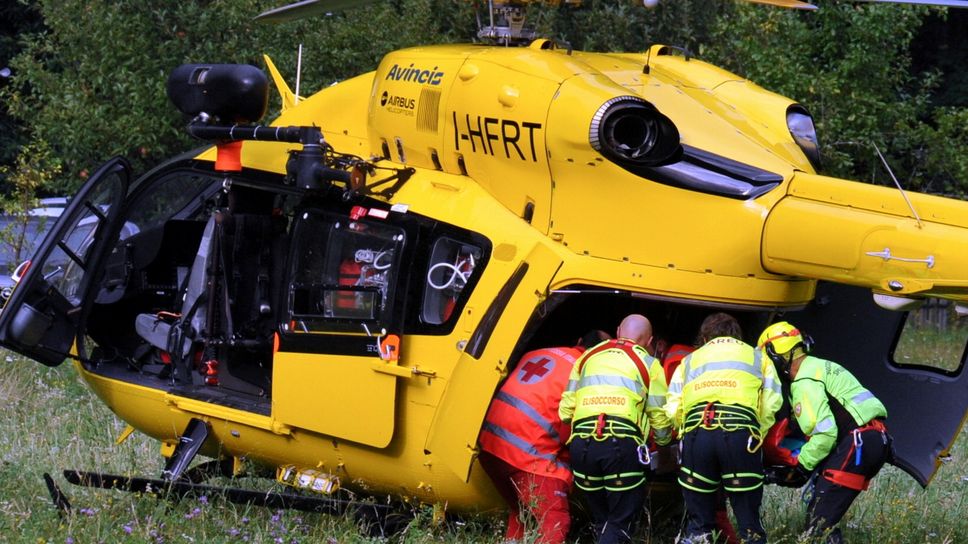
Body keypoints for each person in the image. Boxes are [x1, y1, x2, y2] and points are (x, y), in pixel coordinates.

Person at [757, 321, 892, 544]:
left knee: (819, 527)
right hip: (875, 439)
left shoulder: (803, 381)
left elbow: (825, 433)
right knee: (821, 518)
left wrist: (801, 466)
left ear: (775, 356)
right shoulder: (819, 366)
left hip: (857, 444)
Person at [478, 329, 611, 544]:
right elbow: (569, 431)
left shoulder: (537, 353)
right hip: (525, 456)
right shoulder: (585, 375)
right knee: (555, 520)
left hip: (489, 448)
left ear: (578, 340)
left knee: (523, 514)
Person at [665, 313, 782, 544]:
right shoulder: (758, 358)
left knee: (699, 525)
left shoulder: (689, 361)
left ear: (705, 336)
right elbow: (772, 401)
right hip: (740, 435)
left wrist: (684, 431)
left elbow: (672, 409)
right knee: (749, 524)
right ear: (737, 334)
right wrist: (756, 431)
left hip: (697, 436)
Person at [558, 314, 673, 544]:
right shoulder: (650, 364)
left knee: (603, 521)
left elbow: (565, 411)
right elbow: (659, 417)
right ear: (649, 341)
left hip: (582, 447)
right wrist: (665, 451)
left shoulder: (587, 357)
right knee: (620, 524)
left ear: (619, 330)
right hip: (620, 446)